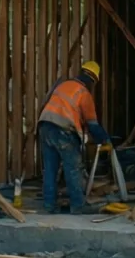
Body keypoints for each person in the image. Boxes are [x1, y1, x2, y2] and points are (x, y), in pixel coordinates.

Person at [37, 60, 111, 214]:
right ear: (93, 80)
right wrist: (105, 140)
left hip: (45, 127)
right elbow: (93, 125)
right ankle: (78, 205)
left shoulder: (64, 85)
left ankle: (49, 205)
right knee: (73, 168)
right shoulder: (84, 94)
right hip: (63, 130)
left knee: (50, 169)